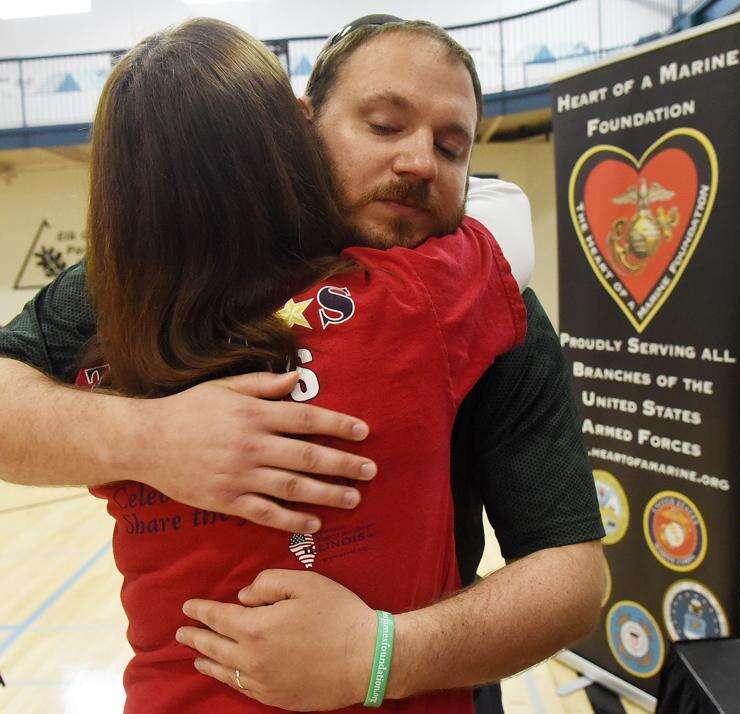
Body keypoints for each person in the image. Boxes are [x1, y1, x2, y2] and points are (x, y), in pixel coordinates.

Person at [0, 14, 605, 714]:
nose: (420, 162)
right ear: (300, 125)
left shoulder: (477, 302)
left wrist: (383, 655)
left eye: (452, 147)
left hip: (430, 680)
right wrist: (149, 437)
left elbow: (573, 572)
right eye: (384, 126)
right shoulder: (149, 278)